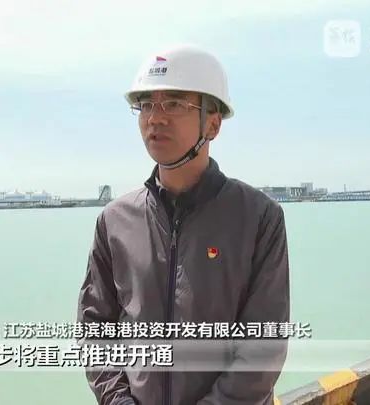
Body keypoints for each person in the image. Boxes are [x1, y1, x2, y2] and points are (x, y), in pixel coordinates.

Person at [77, 44, 290, 405]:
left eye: (174, 104)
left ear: (213, 123)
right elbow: (95, 329)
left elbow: (263, 348)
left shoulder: (258, 217)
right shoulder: (114, 222)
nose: (155, 118)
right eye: (147, 105)